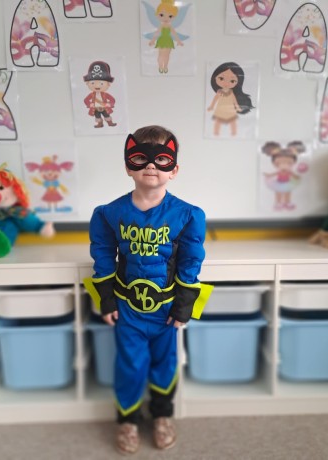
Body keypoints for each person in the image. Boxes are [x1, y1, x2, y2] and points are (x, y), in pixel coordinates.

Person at [84, 125, 212, 454]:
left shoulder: (188, 215)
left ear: (174, 169)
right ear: (129, 167)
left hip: (166, 312)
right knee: (130, 364)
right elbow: (103, 257)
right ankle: (127, 420)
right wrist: (107, 300)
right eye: (141, 158)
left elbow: (191, 262)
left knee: (165, 363)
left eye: (162, 159)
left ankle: (162, 416)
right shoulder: (108, 213)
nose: (151, 165)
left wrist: (183, 306)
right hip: (127, 309)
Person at [207, 62, 253, 136]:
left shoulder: (231, 92)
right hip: (220, 109)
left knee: (232, 121)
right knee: (218, 121)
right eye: (221, 78)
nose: (226, 83)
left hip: (230, 110)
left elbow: (234, 100)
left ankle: (234, 133)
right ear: (215, 78)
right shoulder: (219, 92)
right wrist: (211, 106)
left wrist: (237, 107)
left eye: (232, 81)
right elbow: (215, 100)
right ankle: (216, 133)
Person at [149, 0, 184, 73]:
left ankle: (165, 66)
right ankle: (160, 66)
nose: (166, 18)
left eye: (170, 16)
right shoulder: (161, 26)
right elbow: (157, 33)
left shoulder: (169, 26)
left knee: (167, 55)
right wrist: (153, 40)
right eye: (162, 15)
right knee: (161, 55)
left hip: (168, 41)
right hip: (162, 40)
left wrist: (179, 41)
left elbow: (174, 33)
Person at [83, 60, 117, 128]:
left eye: (101, 83)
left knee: (106, 115)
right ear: (87, 84)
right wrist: (90, 104)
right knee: (97, 116)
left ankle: (110, 123)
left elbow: (112, 100)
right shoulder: (91, 95)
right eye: (92, 83)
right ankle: (100, 124)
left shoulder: (105, 94)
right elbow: (86, 100)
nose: (97, 86)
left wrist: (109, 104)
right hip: (95, 108)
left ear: (108, 84)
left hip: (104, 107)